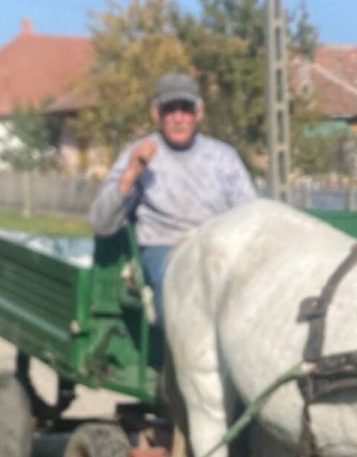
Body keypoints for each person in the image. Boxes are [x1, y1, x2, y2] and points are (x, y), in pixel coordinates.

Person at [89, 72, 257, 325]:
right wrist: (131, 173)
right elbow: (101, 224)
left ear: (199, 113)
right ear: (156, 114)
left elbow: (249, 214)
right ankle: (178, 360)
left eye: (186, 109)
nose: (178, 118)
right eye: (170, 110)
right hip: (165, 248)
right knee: (182, 295)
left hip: (218, 247)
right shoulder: (138, 154)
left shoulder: (223, 157)